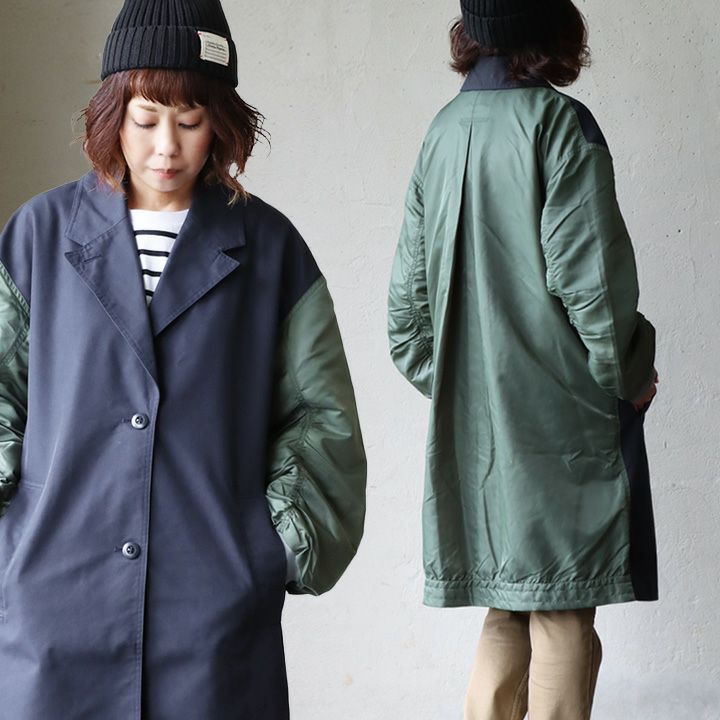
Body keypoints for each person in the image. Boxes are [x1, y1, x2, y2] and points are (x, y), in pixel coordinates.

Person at [0, 0, 366, 717]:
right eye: (145, 120)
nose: (166, 146)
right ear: (112, 116)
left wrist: (269, 548)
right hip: (54, 606)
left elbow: (320, 415)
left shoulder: (270, 248)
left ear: (221, 123)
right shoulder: (38, 236)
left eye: (190, 121)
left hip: (212, 617)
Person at [387, 1, 658, 718]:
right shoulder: (560, 126)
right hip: (563, 418)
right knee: (562, 606)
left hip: (480, 433)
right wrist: (631, 376)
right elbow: (594, 291)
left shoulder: (441, 133)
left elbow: (406, 323)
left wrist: (469, 388)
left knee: (511, 602)